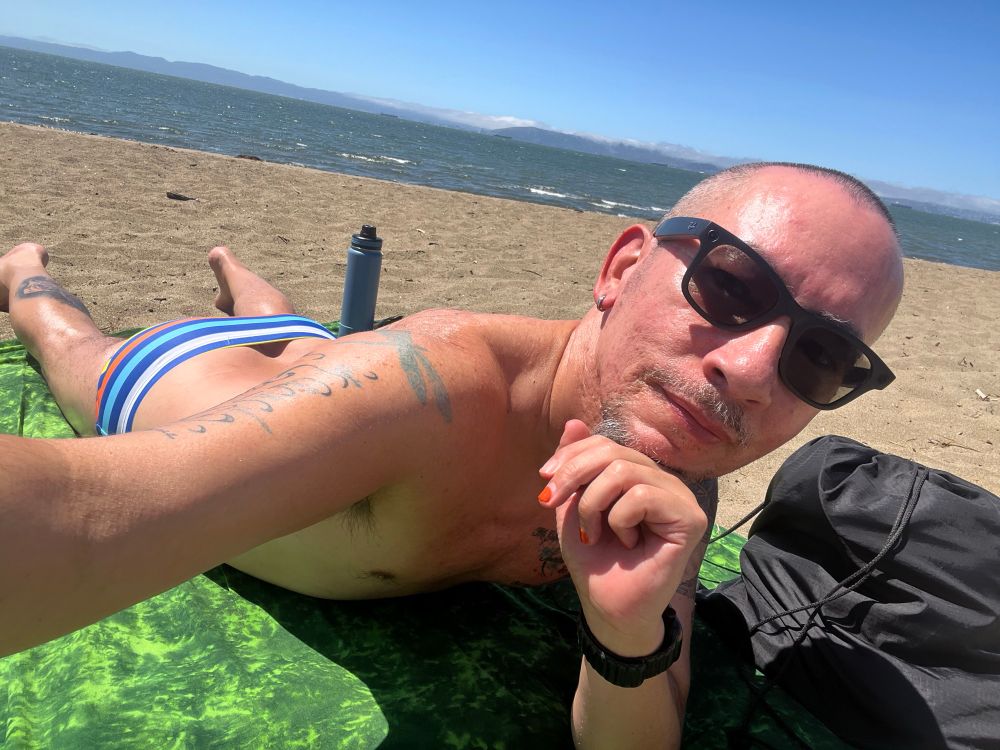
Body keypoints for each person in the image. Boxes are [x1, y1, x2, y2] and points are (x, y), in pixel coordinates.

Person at [0, 162, 903, 748]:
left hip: (323, 364)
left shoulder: (679, 485)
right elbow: (86, 514)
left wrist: (624, 635)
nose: (752, 372)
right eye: (731, 285)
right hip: (175, 377)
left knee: (302, 336)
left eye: (821, 357)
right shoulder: (430, 387)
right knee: (66, 340)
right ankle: (22, 268)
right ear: (622, 269)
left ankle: (244, 283)